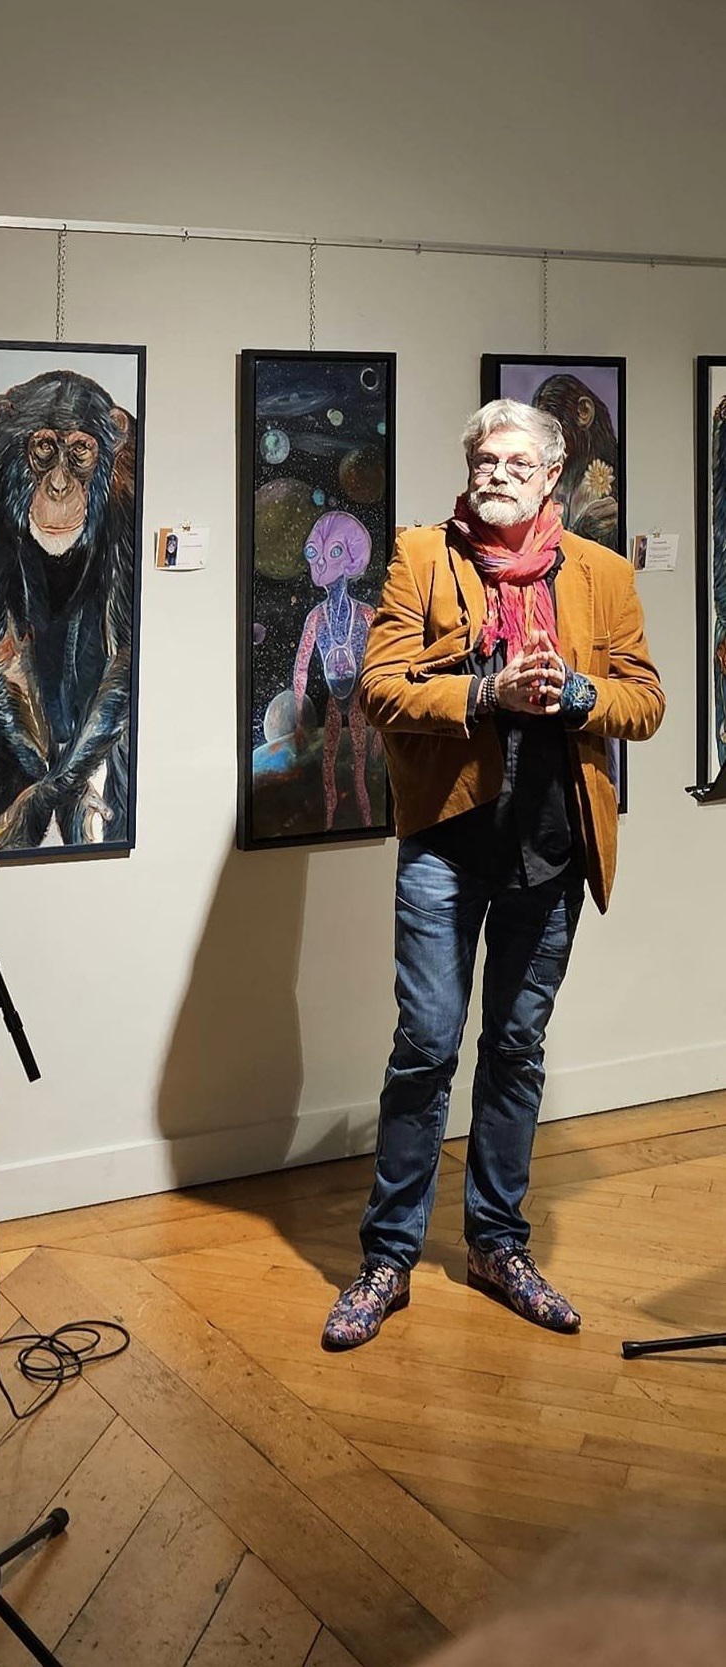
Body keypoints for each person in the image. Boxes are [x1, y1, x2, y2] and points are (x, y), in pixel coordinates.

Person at [321, 400, 664, 1351]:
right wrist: (487, 690)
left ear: (552, 475)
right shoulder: (421, 556)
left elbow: (645, 700)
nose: (495, 470)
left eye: (514, 459)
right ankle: (387, 1257)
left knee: (514, 1050)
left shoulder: (602, 575)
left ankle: (495, 1244)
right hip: (445, 843)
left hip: (551, 852)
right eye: (482, 456)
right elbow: (380, 686)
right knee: (426, 1048)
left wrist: (580, 693)